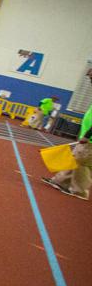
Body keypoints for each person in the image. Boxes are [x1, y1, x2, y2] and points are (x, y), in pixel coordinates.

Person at [42, 69, 92, 200]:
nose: (90, 80)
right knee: (77, 160)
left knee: (80, 163)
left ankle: (80, 191)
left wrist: (87, 135)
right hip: (88, 139)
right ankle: (60, 181)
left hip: (90, 140)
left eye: (91, 77)